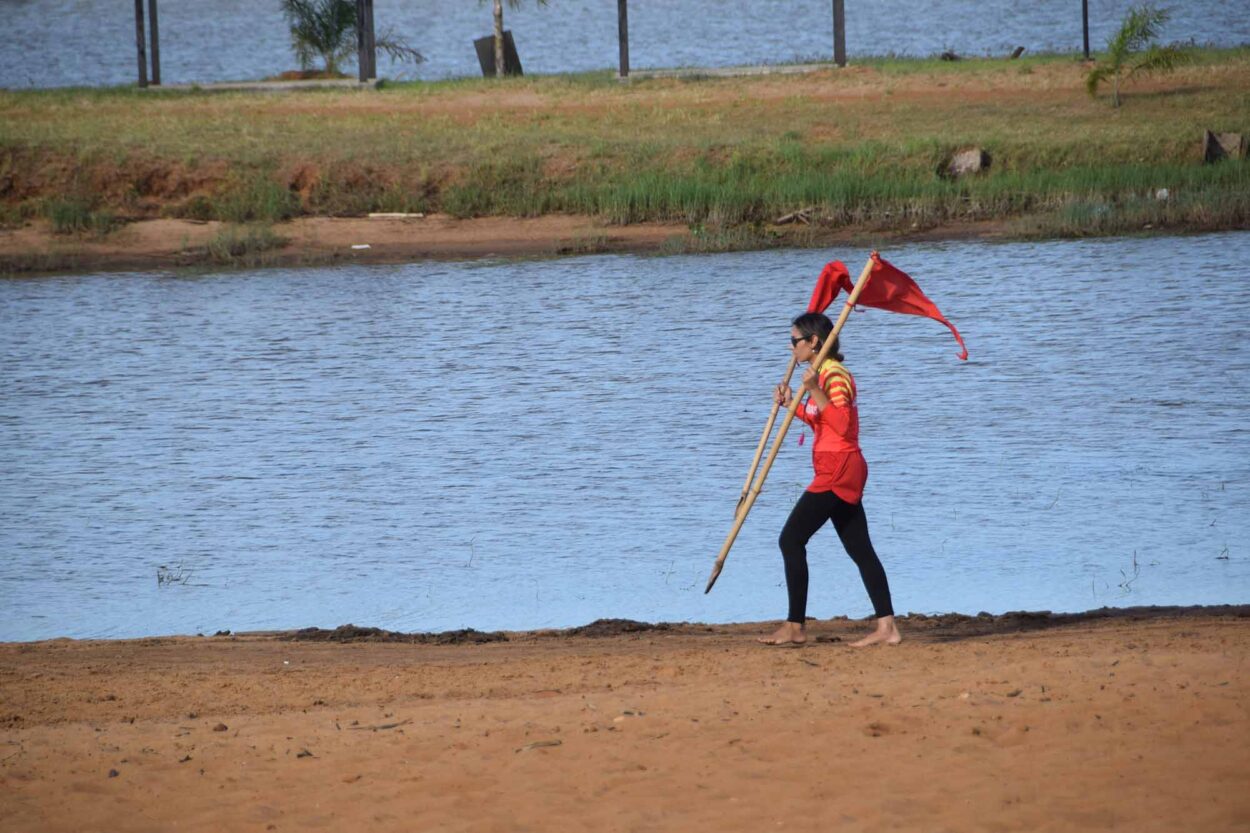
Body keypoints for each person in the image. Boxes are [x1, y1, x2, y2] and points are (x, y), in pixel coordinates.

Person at [758, 312, 901, 648]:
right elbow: (821, 420)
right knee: (860, 549)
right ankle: (888, 628)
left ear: (814, 343)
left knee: (791, 540)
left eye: (795, 341)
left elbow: (842, 425)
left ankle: (795, 626)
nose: (791, 347)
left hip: (838, 470)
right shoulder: (821, 374)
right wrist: (793, 403)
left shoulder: (835, 376)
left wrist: (811, 390)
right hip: (839, 466)